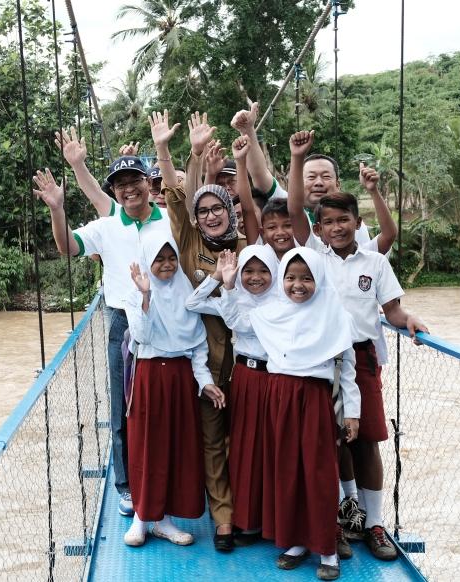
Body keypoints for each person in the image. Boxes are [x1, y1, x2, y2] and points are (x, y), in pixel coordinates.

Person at [286, 130, 429, 562]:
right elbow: (294, 210)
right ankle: (339, 519)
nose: (336, 228)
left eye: (343, 220)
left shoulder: (375, 261)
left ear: (355, 221)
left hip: (362, 357)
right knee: (325, 442)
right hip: (320, 359)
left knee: (365, 441)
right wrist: (297, 159)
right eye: (327, 222)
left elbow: (394, 310)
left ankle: (375, 524)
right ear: (320, 229)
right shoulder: (313, 255)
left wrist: (410, 320)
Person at [32, 151, 171, 519]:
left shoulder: (170, 222)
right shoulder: (107, 227)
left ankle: (164, 482)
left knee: (166, 403)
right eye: (120, 185)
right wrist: (57, 210)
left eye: (134, 182)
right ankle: (126, 486)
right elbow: (67, 246)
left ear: (147, 183)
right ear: (115, 191)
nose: (129, 190)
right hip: (123, 323)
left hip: (169, 323)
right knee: (122, 408)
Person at [151, 109, 245, 551]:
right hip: (203, 361)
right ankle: (224, 519)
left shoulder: (249, 250)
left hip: (247, 361)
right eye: (203, 210)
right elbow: (177, 196)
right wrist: (178, 151)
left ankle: (249, 512)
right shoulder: (189, 244)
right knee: (211, 442)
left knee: (245, 440)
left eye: (216, 208)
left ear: (229, 210)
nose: (209, 216)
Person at [250, 247, 362, 581]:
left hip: (315, 398)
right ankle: (295, 541)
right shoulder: (271, 313)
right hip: (280, 396)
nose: (298, 285)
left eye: (307, 278)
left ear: (319, 279)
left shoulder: (336, 316)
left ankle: (327, 548)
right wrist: (226, 286)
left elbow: (348, 371)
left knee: (318, 472)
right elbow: (231, 314)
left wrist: (352, 414)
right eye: (291, 278)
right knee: (286, 469)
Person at [123, 230, 226, 546]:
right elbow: (142, 336)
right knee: (147, 446)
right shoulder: (136, 292)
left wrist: (205, 382)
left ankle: (163, 520)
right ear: (147, 261)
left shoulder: (184, 291)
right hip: (151, 376)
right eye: (159, 259)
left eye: (171, 258)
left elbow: (196, 347)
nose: (166, 265)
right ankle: (142, 517)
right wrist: (145, 296)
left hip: (181, 377)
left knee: (176, 446)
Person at [186, 244, 279, 544]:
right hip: (245, 377)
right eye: (249, 271)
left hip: (275, 379)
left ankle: (272, 520)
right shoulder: (233, 293)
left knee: (271, 448)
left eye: (263, 271)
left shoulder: (282, 300)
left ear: (274, 272)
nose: (255, 278)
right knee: (244, 448)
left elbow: (244, 325)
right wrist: (218, 279)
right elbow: (192, 302)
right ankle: (247, 519)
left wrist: (227, 291)